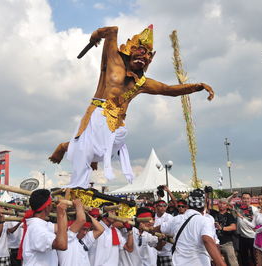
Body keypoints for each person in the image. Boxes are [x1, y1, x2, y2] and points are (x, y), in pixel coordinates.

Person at [49, 25, 214, 188]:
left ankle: (79, 151)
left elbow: (169, 90)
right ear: (131, 50)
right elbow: (112, 30)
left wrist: (197, 86)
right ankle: (73, 171)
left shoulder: (142, 83)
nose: (144, 57)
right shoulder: (114, 61)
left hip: (118, 122)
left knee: (103, 149)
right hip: (98, 112)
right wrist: (95, 35)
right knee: (83, 152)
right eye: (141, 52)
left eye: (148, 56)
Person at [149, 189, 226, 266]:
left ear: (188, 205)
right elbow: (207, 240)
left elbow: (159, 228)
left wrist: (150, 229)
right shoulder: (205, 221)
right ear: (203, 206)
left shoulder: (177, 219)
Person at [20, 189, 68, 266]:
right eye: (51, 203)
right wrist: (60, 215)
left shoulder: (42, 224)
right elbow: (62, 245)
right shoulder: (37, 228)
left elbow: (63, 228)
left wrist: (63, 211)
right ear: (47, 207)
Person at [57, 199, 104, 266]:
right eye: (83, 229)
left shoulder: (83, 241)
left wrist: (86, 214)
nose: (85, 233)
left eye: (87, 230)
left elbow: (101, 229)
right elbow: (81, 220)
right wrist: (79, 206)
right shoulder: (66, 238)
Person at [238, 194, 262, 266]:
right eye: (258, 199)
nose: (259, 201)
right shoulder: (257, 212)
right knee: (259, 262)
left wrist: (256, 231)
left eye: (261, 199)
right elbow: (253, 225)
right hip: (258, 239)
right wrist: (242, 218)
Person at [231, 192, 257, 266]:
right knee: (243, 257)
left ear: (251, 199)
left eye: (248, 198)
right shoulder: (238, 208)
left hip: (253, 237)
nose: (246, 200)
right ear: (241, 199)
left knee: (254, 257)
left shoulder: (254, 209)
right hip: (242, 237)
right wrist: (233, 196)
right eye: (244, 198)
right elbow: (226, 202)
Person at [210, 198, 239, 266]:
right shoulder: (213, 213)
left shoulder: (229, 215)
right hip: (214, 243)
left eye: (224, 203)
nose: (221, 205)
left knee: (233, 262)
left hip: (226, 243)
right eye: (220, 203)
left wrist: (222, 228)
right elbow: (206, 205)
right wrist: (207, 194)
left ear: (227, 206)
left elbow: (233, 227)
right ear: (217, 204)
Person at [153, 200, 173, 266]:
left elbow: (170, 232)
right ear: (156, 207)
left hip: (166, 252)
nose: (163, 208)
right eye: (160, 206)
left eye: (164, 206)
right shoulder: (153, 216)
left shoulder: (169, 217)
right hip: (153, 251)